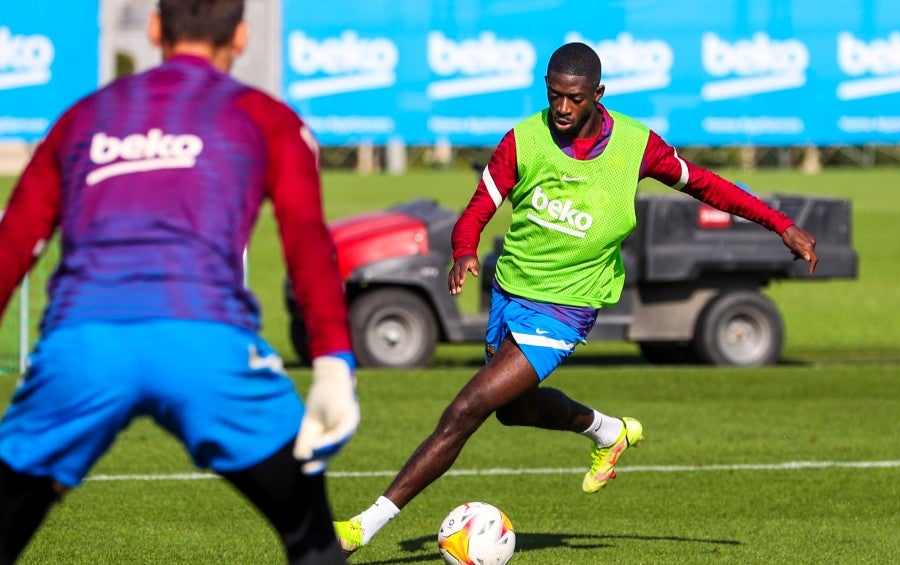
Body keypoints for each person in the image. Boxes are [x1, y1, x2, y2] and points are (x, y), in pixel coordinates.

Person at [334, 41, 819, 554]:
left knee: (466, 409)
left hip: (566, 308)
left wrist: (781, 225)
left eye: (575, 98)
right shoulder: (524, 139)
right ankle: (609, 432)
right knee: (513, 411)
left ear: (597, 95)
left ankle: (362, 527)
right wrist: (464, 250)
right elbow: (478, 208)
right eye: (554, 96)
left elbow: (707, 185)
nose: (562, 109)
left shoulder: (636, 146)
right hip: (511, 292)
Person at [0, 1, 359, 563]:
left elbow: (13, 243)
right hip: (207, 349)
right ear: (240, 37)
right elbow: (307, 243)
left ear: (154, 28)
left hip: (82, 349)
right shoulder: (266, 117)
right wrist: (334, 360)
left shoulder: (83, 116)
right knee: (313, 543)